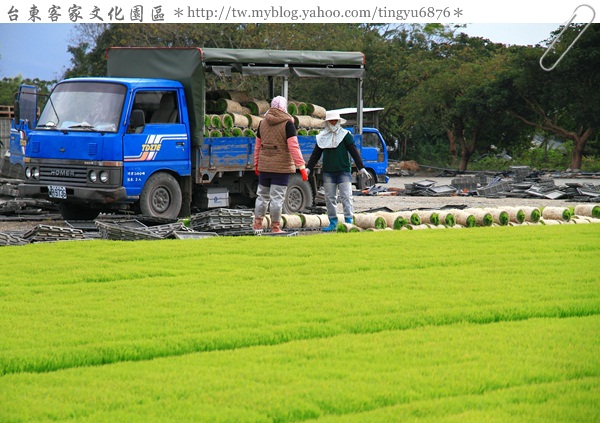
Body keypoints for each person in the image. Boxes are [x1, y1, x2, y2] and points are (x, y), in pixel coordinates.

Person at [306, 110, 371, 232]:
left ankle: (348, 221)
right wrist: (309, 168)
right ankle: (333, 222)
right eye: (331, 120)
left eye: (335, 120)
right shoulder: (322, 137)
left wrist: (361, 167)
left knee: (346, 196)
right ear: (327, 122)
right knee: (330, 198)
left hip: (343, 171)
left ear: (338, 121)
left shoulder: (345, 135)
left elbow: (353, 151)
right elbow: (316, 155)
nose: (333, 122)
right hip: (329, 172)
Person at [253, 96, 308, 234]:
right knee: (276, 198)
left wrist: (256, 164)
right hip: (281, 168)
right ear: (284, 108)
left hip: (264, 166)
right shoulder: (288, 124)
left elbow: (257, 146)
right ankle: (276, 227)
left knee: (262, 196)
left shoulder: (262, 123)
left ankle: (257, 225)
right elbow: (294, 147)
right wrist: (301, 167)